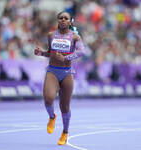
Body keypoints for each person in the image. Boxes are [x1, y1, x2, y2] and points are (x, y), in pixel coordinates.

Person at [34, 11, 85, 145]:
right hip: (52, 71)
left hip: (67, 73)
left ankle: (65, 132)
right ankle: (52, 117)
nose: (63, 20)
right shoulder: (51, 35)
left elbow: (81, 52)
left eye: (65, 18)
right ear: (58, 21)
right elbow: (51, 53)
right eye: (60, 18)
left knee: (65, 106)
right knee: (48, 98)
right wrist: (42, 53)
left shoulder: (75, 37)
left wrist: (66, 58)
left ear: (70, 21)